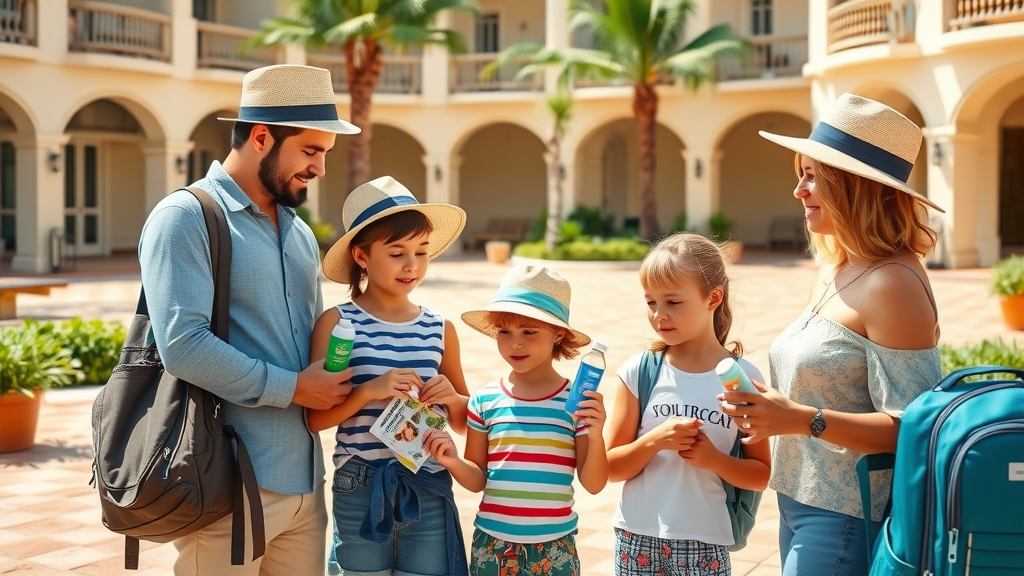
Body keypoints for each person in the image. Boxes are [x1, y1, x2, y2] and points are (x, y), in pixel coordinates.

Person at [138, 64, 360, 575]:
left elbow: (309, 346)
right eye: (311, 151)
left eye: (326, 153)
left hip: (307, 481)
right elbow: (184, 344)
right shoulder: (186, 216)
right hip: (227, 483)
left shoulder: (299, 232)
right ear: (261, 137)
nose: (321, 168)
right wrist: (294, 388)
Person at [722, 93, 944, 576]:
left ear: (856, 187)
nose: (799, 190)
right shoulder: (837, 265)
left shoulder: (893, 283)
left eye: (812, 176)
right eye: (799, 173)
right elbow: (828, 385)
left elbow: (914, 428)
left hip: (846, 516)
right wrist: (771, 406)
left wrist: (802, 418)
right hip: (797, 500)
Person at [309, 175, 470, 576]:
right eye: (396, 252)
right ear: (361, 256)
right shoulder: (337, 323)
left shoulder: (439, 327)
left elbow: (467, 421)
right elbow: (314, 420)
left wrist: (451, 398)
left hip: (428, 480)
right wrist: (367, 392)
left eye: (421, 251)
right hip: (360, 482)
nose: (412, 265)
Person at [424, 264, 609, 576]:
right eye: (504, 332)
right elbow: (478, 478)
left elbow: (593, 484)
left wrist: (596, 435)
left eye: (529, 332)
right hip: (492, 547)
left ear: (558, 333)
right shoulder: (484, 399)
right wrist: (453, 461)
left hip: (555, 548)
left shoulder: (574, 403)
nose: (515, 344)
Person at [604, 233, 771, 576]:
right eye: (651, 302)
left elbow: (760, 475)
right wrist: (654, 441)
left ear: (713, 298)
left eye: (673, 302)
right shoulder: (640, 371)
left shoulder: (743, 378)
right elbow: (610, 467)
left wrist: (713, 459)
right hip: (635, 537)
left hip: (705, 541)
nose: (659, 315)